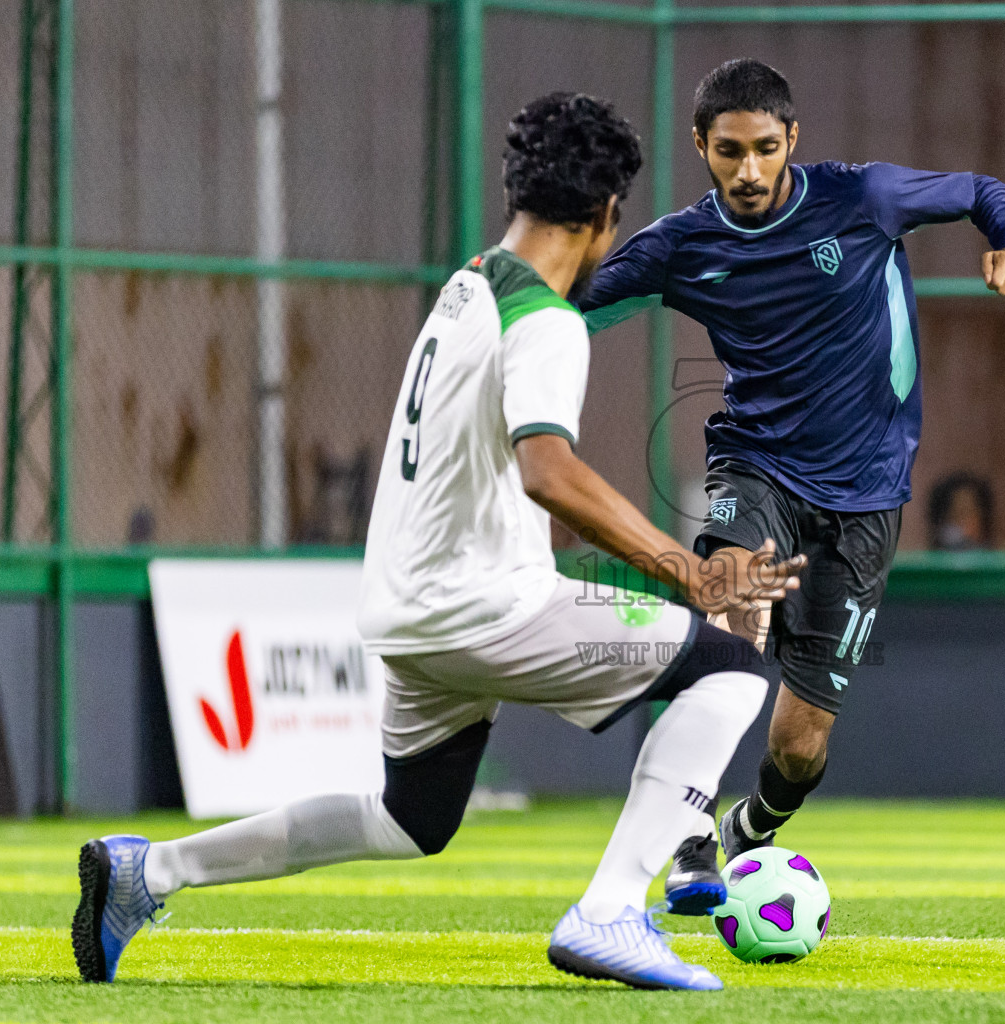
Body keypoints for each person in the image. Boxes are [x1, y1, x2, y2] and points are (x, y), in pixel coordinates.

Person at [71, 92, 804, 994]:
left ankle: (148, 874)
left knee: (410, 817)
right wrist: (688, 572)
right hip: (485, 606)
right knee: (727, 667)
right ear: (608, 213)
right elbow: (549, 472)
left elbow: (514, 474)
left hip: (406, 610)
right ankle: (611, 910)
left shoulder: (467, 284)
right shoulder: (547, 320)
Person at [579, 59, 1005, 885]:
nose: (748, 170)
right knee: (729, 617)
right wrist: (498, 297)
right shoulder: (682, 245)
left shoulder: (862, 200)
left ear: (793, 138)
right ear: (701, 147)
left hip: (868, 497)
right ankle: (681, 847)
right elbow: (568, 302)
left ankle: (745, 831)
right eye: (728, 152)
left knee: (798, 747)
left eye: (764, 148)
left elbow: (982, 190)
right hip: (755, 463)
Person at [928, 472, 996, 550]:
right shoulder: (929, 559)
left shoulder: (998, 558)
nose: (962, 522)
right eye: (955, 514)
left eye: (967, 512)